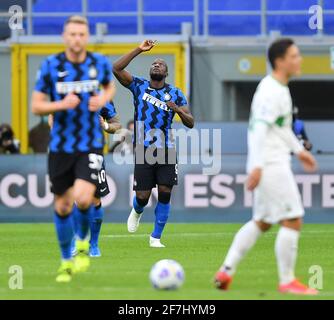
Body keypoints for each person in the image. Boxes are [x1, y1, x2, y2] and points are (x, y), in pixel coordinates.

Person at [214, 38, 318, 295]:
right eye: (294, 55)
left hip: (273, 159)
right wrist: (258, 166)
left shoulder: (278, 88)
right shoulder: (271, 90)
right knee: (293, 219)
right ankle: (287, 281)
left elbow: (280, 127)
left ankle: (226, 271)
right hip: (271, 163)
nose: (299, 59)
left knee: (262, 221)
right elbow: (259, 129)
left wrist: (299, 151)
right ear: (280, 61)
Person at [31, 15, 116, 283]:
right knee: (63, 205)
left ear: (86, 37)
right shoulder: (51, 66)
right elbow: (37, 106)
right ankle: (66, 261)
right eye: (72, 34)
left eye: (81, 34)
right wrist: (61, 104)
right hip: (61, 146)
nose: (77, 39)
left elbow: (110, 86)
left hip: (90, 143)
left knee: (83, 197)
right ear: (65, 37)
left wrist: (101, 99)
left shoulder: (98, 63)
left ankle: (83, 242)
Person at [113, 40, 194, 248]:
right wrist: (139, 49)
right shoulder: (139, 86)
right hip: (144, 148)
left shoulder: (176, 93)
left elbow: (191, 123)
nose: (156, 65)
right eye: (154, 63)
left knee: (165, 192)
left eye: (161, 64)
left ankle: (155, 237)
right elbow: (116, 68)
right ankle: (137, 210)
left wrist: (177, 109)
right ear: (150, 71)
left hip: (167, 149)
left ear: (166, 72)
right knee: (143, 195)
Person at [48, 103, 121, 258]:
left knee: (94, 199)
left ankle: (93, 244)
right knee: (73, 198)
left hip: (92, 151)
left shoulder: (101, 95)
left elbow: (117, 125)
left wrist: (106, 125)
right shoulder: (65, 90)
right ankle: (77, 241)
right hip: (67, 151)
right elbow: (52, 115)